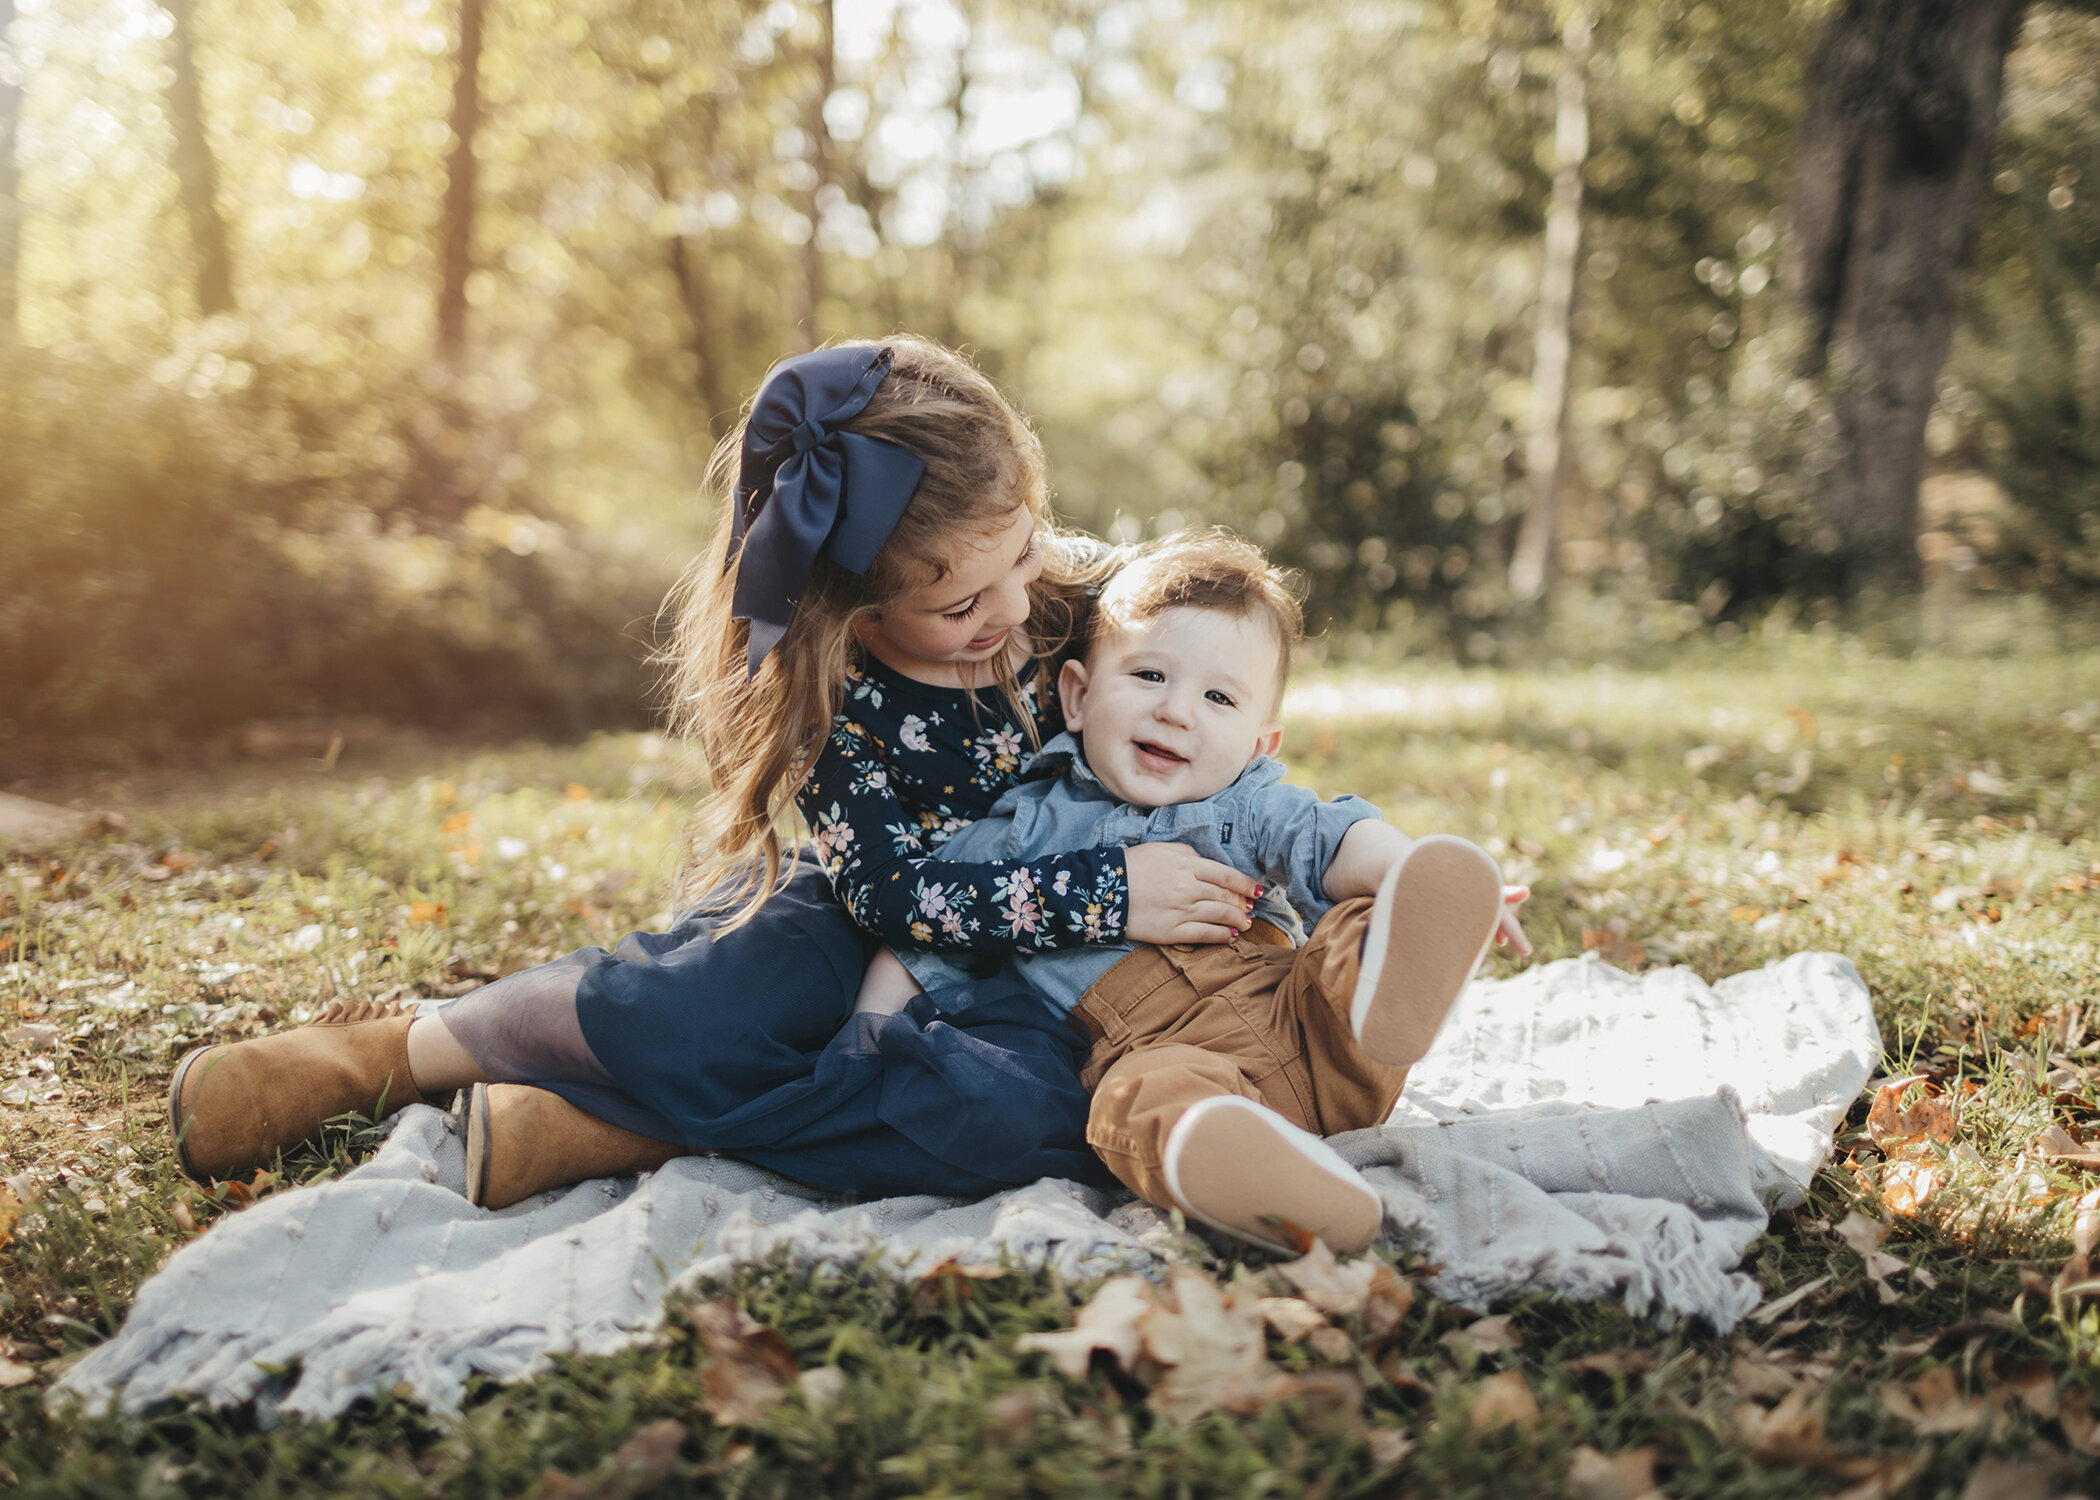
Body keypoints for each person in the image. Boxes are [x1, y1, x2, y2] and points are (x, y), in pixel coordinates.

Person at [167, 339, 1264, 1207]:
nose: (1016, 610)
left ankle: (614, 1129)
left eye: (1024, 555)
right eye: (960, 607)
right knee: (706, 1011)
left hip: (1048, 966)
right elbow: (892, 895)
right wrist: (1106, 889)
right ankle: (392, 1054)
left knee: (1034, 1117)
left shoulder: (1085, 598)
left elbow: (1219, 664)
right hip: (879, 911)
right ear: (853, 614)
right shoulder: (833, 696)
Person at [851, 530, 1532, 1254]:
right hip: (1169, 1050)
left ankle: (1390, 978)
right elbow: (926, 933)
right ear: (1077, 697)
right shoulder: (1024, 829)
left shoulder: (1243, 802)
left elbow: (1330, 838)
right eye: (1149, 676)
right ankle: (1252, 1173)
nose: (1178, 712)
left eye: (1217, 697)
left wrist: (1413, 878)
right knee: (1133, 1098)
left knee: (1354, 920)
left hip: (1313, 1016)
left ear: (1258, 747)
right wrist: (864, 1034)